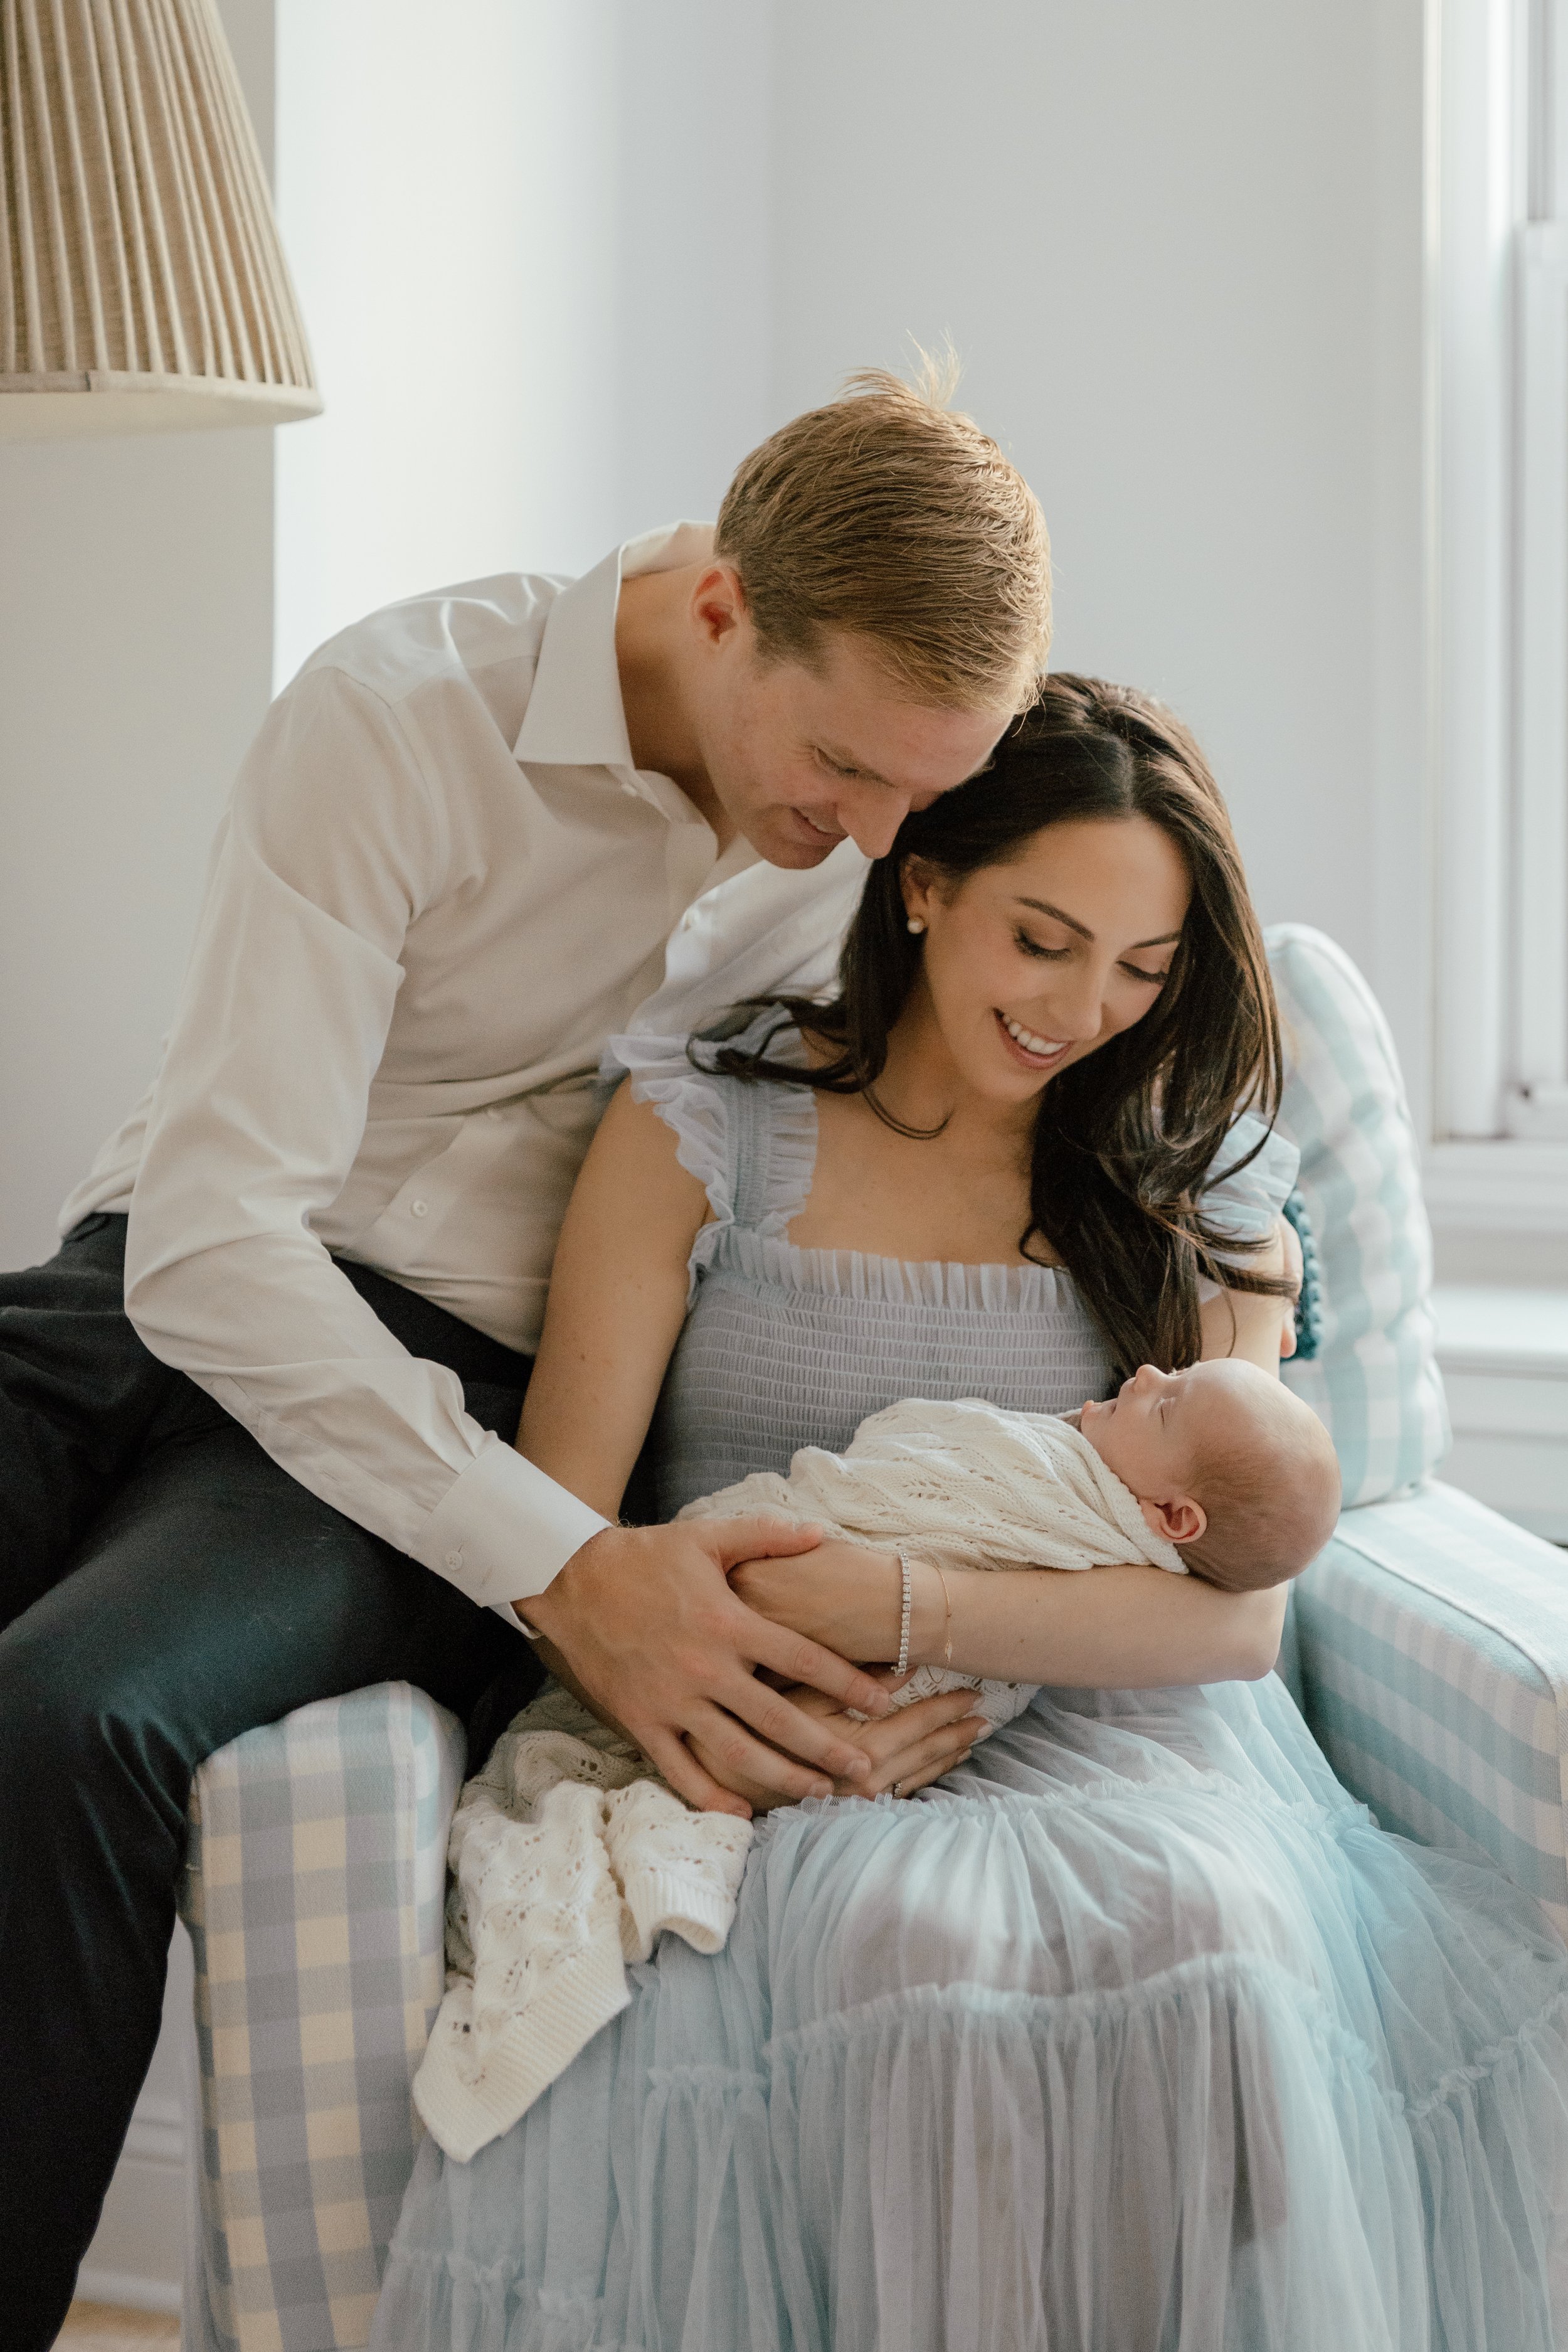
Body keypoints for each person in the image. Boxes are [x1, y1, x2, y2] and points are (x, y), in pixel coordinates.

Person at [0, 367, 1052, 2348]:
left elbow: (1116, 886)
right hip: (165, 1272)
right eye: (848, 769)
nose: (882, 838)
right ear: (720, 600)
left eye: (931, 788)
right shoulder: (402, 718)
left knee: (72, 1719)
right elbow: (219, 1243)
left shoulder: (866, 831)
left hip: (442, 1380)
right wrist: (574, 1572)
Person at [374, 678, 1568, 2352]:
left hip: (1125, 1723)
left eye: (1142, 970)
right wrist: (799, 1672)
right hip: (779, 1707)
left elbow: (1231, 1616)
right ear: (921, 880)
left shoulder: (1188, 1181)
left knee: (1206, 1938)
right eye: (1043, 938)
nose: (1083, 1007)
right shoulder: (700, 1127)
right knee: (908, 1947)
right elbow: (564, 1540)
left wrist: (906, 1611)